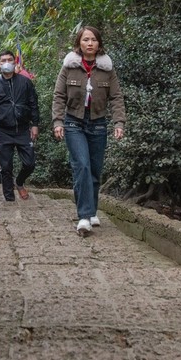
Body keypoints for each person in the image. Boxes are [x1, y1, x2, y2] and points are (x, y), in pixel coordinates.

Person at [52, 26, 126, 236]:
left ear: (99, 44)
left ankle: (92, 210)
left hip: (98, 124)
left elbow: (116, 97)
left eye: (93, 39)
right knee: (82, 166)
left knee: (94, 170)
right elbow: (59, 95)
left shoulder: (107, 69)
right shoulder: (69, 66)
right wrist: (58, 121)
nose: (90, 43)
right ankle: (84, 216)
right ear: (79, 43)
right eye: (85, 39)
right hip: (74, 123)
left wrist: (118, 123)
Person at [0, 49, 39, 201]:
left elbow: (33, 104)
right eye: (3, 60)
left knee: (30, 163)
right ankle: (9, 198)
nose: (7, 63)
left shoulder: (25, 82)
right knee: (5, 167)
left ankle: (19, 182)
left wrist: (35, 124)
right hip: (4, 131)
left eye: (10, 60)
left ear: (15, 62)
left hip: (23, 129)